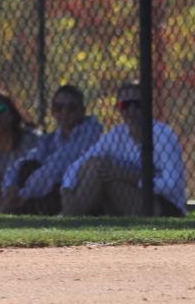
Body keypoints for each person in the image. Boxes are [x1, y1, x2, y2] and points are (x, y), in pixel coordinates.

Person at [61, 81, 187, 217]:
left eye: (137, 104)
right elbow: (80, 163)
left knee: (101, 170)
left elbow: (172, 186)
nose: (131, 111)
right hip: (127, 200)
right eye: (125, 105)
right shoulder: (117, 134)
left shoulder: (164, 135)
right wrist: (67, 188)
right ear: (118, 108)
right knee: (94, 164)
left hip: (163, 208)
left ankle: (68, 218)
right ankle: (70, 216)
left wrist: (127, 176)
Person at [0, 84, 101, 215]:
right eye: (59, 108)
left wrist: (24, 193)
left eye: (71, 108)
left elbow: (58, 166)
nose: (64, 112)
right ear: (52, 111)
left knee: (51, 177)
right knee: (27, 166)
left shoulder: (90, 134)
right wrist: (10, 187)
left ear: (82, 110)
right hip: (47, 193)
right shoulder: (51, 139)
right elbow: (22, 162)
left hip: (76, 192)